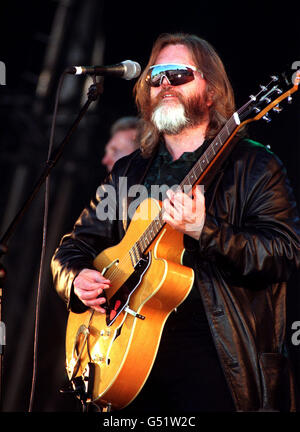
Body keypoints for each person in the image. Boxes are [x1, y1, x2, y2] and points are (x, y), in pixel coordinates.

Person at [51, 33, 300, 412]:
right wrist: (77, 278)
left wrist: (205, 231)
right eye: (156, 75)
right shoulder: (128, 172)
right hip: (122, 358)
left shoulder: (254, 167)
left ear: (211, 90)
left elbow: (284, 253)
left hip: (216, 358)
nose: (165, 83)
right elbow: (72, 249)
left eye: (179, 74)